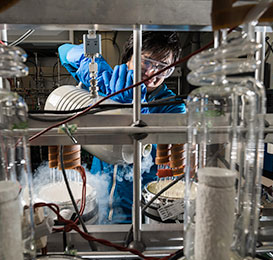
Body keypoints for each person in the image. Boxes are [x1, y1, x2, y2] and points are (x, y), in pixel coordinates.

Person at [58, 31, 185, 223]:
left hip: (139, 205)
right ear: (129, 58)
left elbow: (144, 147)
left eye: (163, 67)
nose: (152, 73)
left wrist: (127, 112)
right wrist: (88, 63)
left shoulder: (172, 106)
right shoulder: (107, 82)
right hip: (98, 193)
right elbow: (63, 50)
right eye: (147, 62)